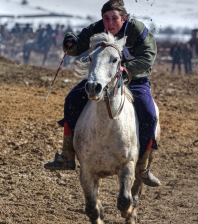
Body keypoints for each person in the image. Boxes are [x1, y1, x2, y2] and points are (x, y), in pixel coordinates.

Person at [44, 0, 161, 187]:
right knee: (72, 99)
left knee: (148, 113)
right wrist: (69, 41)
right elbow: (75, 48)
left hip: (134, 79)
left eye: (114, 18)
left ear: (124, 18)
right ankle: (67, 155)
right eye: (106, 18)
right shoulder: (98, 28)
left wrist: (125, 68)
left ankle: (142, 166)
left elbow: (148, 57)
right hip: (103, 78)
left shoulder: (137, 30)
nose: (110, 23)